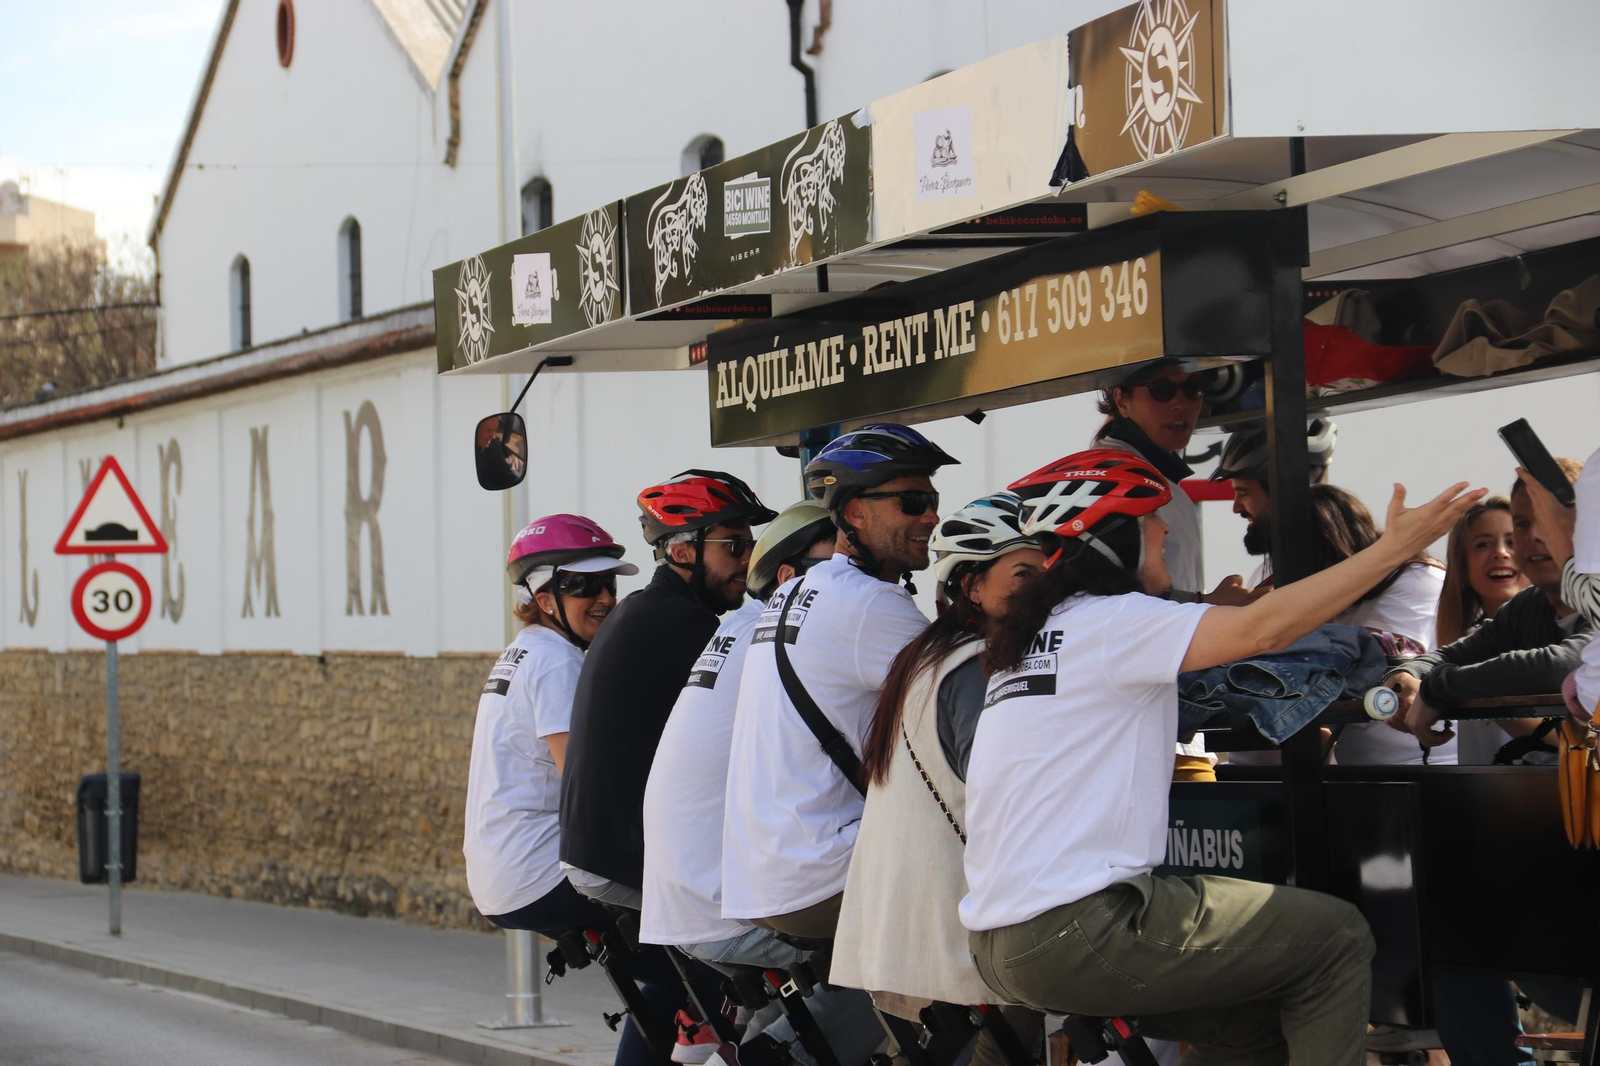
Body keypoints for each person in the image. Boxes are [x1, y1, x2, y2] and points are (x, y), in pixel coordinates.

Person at [961, 448, 1482, 1065]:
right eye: (1149, 518)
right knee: (1339, 939)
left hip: (1000, 946)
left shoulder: (1036, 634)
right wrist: (1394, 547)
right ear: (1107, 537)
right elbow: (1264, 632)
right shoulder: (1111, 621)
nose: (1163, 531)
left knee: (1272, 1023)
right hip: (1078, 930)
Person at [640, 501, 882, 1066]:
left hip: (687, 897)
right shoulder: (784, 640)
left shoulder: (743, 630)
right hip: (720, 902)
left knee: (788, 1001)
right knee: (897, 954)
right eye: (833, 567)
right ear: (788, 578)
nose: (850, 580)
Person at [559, 469, 775, 1062]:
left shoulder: (642, 612)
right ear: (681, 550)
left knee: (679, 988)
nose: (747, 558)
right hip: (622, 850)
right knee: (763, 958)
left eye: (749, 544)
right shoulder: (691, 628)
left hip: (596, 848)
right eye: (732, 545)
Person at [832, 492, 1047, 1064]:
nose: (1043, 587)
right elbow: (999, 795)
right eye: (1023, 573)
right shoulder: (976, 668)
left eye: (1049, 572)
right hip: (947, 932)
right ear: (972, 586)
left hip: (901, 926)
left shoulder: (930, 655)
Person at [721, 423, 957, 939]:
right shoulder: (871, 605)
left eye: (933, 498)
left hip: (764, 873)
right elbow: (973, 713)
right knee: (1008, 907)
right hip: (824, 871)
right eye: (913, 501)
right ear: (854, 513)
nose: (932, 516)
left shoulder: (799, 590)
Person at [461, 514, 652, 1066]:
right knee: (687, 939)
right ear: (544, 598)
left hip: (506, 872)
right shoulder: (556, 664)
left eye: (610, 583)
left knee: (665, 969)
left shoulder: (525, 651)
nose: (604, 597)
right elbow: (587, 784)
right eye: (583, 586)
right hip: (540, 871)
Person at [1388, 458, 1592, 760]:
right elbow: (1449, 656)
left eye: (1552, 518)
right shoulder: (1529, 605)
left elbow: (1563, 665)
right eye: (1522, 523)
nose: (1534, 535)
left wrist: (1438, 688)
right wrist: (1406, 676)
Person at [1295, 485, 1455, 766]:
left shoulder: (1416, 576)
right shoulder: (1332, 595)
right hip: (1356, 768)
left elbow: (1375, 659)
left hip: (1425, 766)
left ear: (1333, 541)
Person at [1435, 497, 1530, 765]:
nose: (1501, 553)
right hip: (1484, 798)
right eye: (1483, 544)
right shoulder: (1460, 647)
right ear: (1462, 566)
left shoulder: (1567, 635)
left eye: (1512, 541)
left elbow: (1566, 741)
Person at [1211, 417, 1338, 589]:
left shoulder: (1361, 582)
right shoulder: (1267, 573)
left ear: (1287, 491)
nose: (1236, 508)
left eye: (1244, 493)